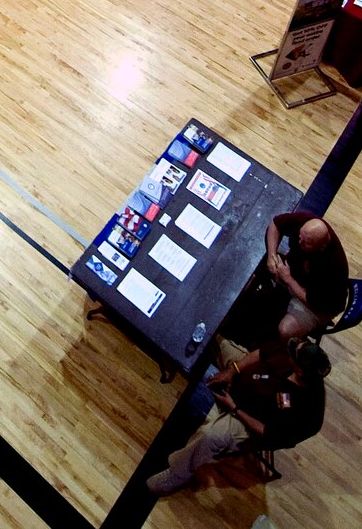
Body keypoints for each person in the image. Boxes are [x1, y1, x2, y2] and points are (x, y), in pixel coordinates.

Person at [144, 336, 329, 495]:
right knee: (216, 338)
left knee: (211, 436)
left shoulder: (302, 410)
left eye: (293, 351)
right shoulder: (294, 351)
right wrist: (233, 370)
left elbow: (267, 431)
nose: (291, 346)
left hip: (252, 418)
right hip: (252, 381)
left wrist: (234, 408)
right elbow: (262, 353)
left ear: (299, 370)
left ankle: (178, 474)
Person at [265, 211, 349, 338]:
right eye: (300, 237)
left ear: (321, 247)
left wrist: (289, 280)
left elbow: (314, 302)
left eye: (306, 243)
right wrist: (271, 255)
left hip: (320, 305)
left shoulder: (332, 268)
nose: (300, 243)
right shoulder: (306, 224)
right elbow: (275, 224)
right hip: (296, 276)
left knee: (285, 330)